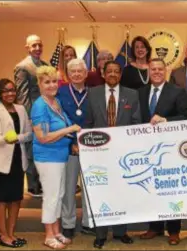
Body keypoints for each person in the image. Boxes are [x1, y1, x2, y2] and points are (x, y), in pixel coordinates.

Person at [84, 61, 140, 249]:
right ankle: (101, 234)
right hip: (99, 153)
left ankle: (120, 232)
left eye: (117, 71)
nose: (113, 74)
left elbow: (136, 122)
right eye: (110, 71)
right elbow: (88, 122)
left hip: (123, 153)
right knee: (101, 192)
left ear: (121, 74)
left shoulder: (132, 94)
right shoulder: (92, 93)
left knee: (122, 192)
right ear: (103, 73)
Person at [138, 58, 187, 245]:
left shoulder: (177, 91)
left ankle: (174, 230)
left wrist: (165, 121)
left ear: (165, 70)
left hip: (170, 150)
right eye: (153, 69)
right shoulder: (141, 92)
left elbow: (185, 117)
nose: (157, 72)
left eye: (160, 69)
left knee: (171, 189)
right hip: (147, 150)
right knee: (151, 188)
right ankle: (155, 227)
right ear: (148, 72)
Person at [30, 66, 81, 249]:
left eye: (54, 81)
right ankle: (48, 235)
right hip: (47, 157)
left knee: (59, 195)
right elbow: (43, 137)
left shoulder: (56, 101)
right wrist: (69, 129)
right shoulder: (39, 106)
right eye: (47, 82)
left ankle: (57, 230)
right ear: (40, 84)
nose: (52, 85)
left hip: (60, 156)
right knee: (51, 196)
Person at [0, 78, 32, 248]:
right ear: (0, 93)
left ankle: (12, 233)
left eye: (12, 90)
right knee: (3, 200)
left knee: (16, 199)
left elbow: (29, 134)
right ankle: (4, 235)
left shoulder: (21, 109)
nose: (10, 93)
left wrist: (17, 138)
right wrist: (7, 138)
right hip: (2, 162)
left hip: (18, 160)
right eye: (6, 91)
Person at [57, 58, 92, 238]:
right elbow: (57, 118)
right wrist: (72, 142)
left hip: (90, 147)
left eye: (80, 71)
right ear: (68, 75)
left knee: (89, 187)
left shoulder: (94, 93)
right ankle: (68, 223)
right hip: (67, 146)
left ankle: (88, 222)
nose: (77, 74)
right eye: (73, 72)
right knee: (68, 187)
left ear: (86, 74)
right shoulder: (60, 92)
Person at [15, 34, 48, 197]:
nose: (37, 48)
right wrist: (29, 118)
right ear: (27, 48)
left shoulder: (44, 64)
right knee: (32, 150)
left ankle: (42, 182)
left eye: (39, 45)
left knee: (43, 149)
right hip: (32, 114)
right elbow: (22, 95)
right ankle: (33, 185)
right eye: (34, 45)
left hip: (45, 113)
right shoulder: (23, 67)